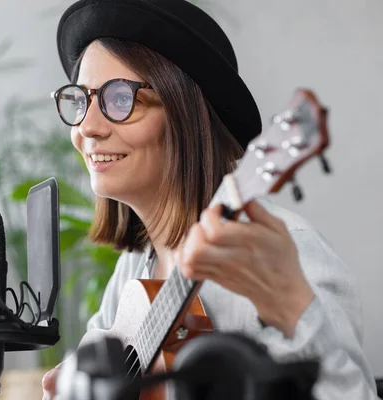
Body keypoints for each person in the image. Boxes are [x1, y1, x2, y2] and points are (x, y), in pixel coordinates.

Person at [42, 0, 377, 399]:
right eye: (80, 99)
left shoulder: (286, 252)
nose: (88, 128)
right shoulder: (135, 265)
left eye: (119, 99)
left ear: (186, 114)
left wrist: (292, 308)